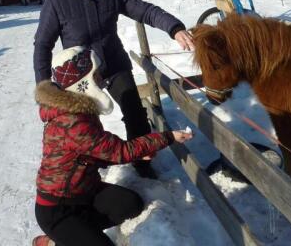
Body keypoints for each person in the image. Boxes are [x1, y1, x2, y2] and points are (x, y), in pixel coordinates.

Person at [33, 0, 194, 178]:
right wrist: (45, 88)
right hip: (80, 75)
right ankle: (88, 173)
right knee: (83, 126)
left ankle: (142, 161)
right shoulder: (57, 2)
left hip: (113, 64)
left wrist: (174, 28)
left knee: (134, 113)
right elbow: (42, 46)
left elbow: (146, 11)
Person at [32, 46, 193, 246]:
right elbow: (119, 151)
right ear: (83, 83)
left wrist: (136, 154)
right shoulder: (73, 121)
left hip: (85, 191)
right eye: (96, 75)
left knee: (130, 205)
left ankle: (72, 237)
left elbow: (90, 152)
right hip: (58, 209)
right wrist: (168, 137)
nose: (102, 79)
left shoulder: (77, 110)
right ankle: (59, 238)